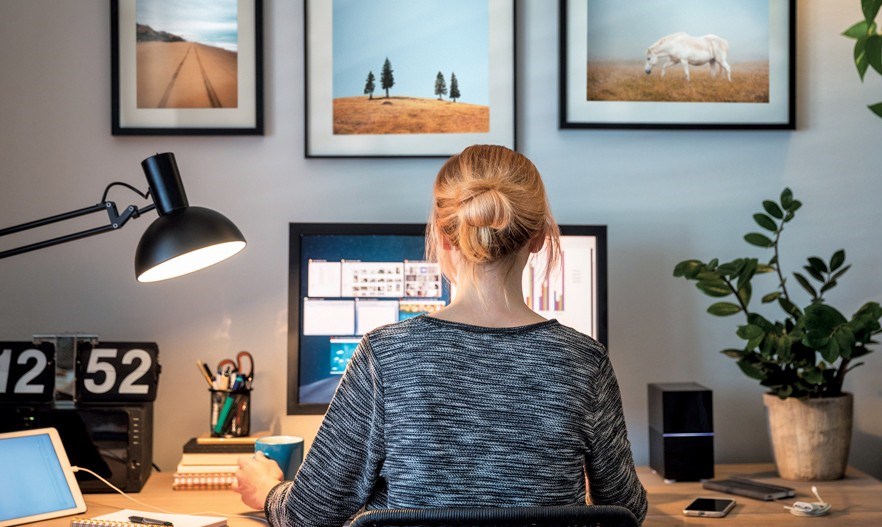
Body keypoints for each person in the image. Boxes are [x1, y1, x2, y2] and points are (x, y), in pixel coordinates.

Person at [233, 145, 648, 525]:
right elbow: (626, 510)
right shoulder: (584, 360)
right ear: (539, 237)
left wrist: (268, 491)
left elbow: (312, 515)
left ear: (444, 234)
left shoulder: (385, 355)